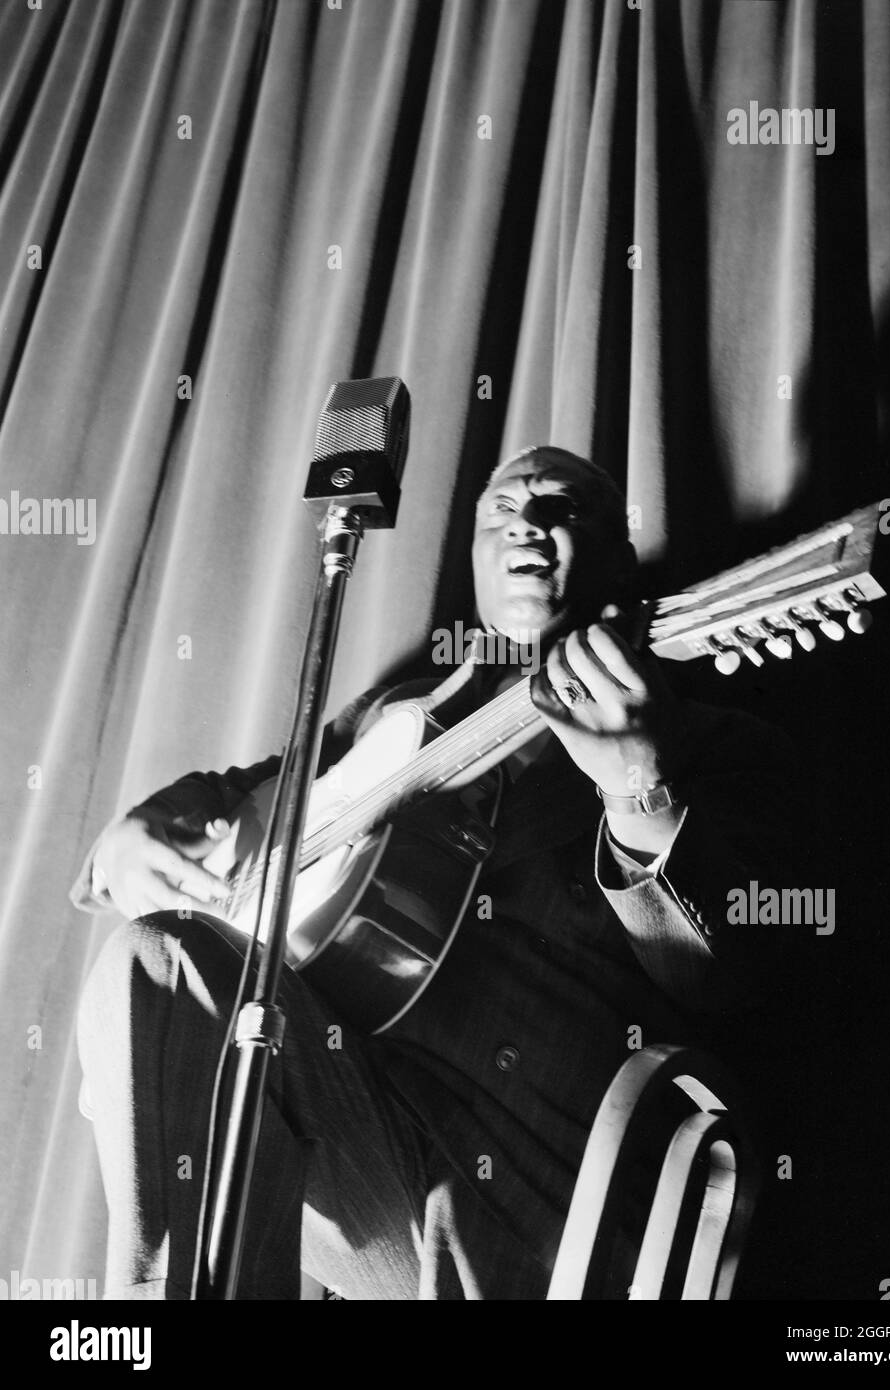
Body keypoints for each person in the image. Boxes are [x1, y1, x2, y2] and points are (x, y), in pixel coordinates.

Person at [73, 444, 796, 1300]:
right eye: (502, 511)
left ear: (620, 557)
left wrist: (639, 787)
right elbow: (246, 796)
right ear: (475, 560)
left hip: (550, 1202)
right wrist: (132, 834)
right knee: (151, 957)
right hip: (364, 1155)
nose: (527, 524)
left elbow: (727, 980)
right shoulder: (398, 713)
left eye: (564, 508)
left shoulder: (713, 745)